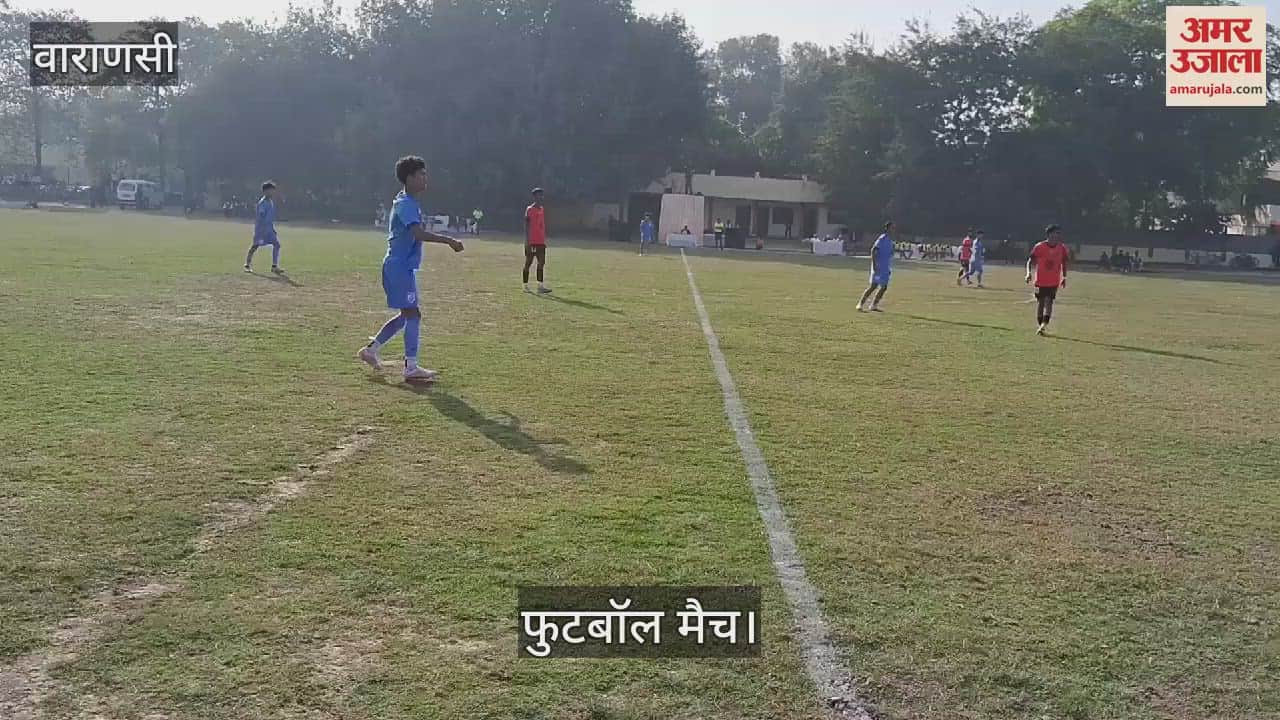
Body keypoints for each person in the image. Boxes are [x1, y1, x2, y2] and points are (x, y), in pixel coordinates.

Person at [356, 155, 465, 382]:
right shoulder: (406, 204)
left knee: (407, 315)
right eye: (421, 174)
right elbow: (418, 234)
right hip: (399, 268)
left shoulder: (406, 201)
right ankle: (411, 367)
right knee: (412, 314)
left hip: (400, 267)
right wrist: (449, 241)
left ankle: (371, 350)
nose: (426, 178)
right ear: (409, 178)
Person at [1026, 224, 1070, 336]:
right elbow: (1030, 261)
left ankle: (1043, 326)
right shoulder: (1039, 247)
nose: (1058, 235)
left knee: (1049, 302)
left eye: (1059, 233)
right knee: (1041, 303)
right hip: (1040, 281)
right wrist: (1028, 273)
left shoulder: (1062, 248)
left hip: (1054, 281)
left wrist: (1064, 277)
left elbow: (1064, 263)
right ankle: (1041, 325)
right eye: (1056, 233)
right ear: (1049, 234)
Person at [244, 181, 283, 274]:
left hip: (269, 229)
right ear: (265, 191)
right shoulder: (262, 203)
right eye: (271, 190)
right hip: (261, 230)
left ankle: (274, 266)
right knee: (255, 246)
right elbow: (261, 216)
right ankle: (247, 265)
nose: (273, 192)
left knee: (277, 245)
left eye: (273, 190)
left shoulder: (270, 202)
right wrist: (261, 230)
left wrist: (271, 228)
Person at [858, 221, 895, 312]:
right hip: (878, 266)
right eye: (892, 228)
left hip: (885, 268)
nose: (893, 230)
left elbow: (888, 256)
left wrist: (888, 268)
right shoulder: (882, 238)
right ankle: (860, 304)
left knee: (884, 287)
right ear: (887, 228)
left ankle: (874, 305)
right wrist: (874, 264)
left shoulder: (890, 241)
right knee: (873, 286)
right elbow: (873, 250)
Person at [524, 188, 551, 294]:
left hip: (541, 242)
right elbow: (526, 225)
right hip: (532, 241)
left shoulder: (541, 209)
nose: (541, 197)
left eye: (542, 195)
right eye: (539, 195)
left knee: (541, 263)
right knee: (528, 263)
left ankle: (540, 286)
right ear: (534, 197)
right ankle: (525, 286)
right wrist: (527, 241)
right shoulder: (529, 209)